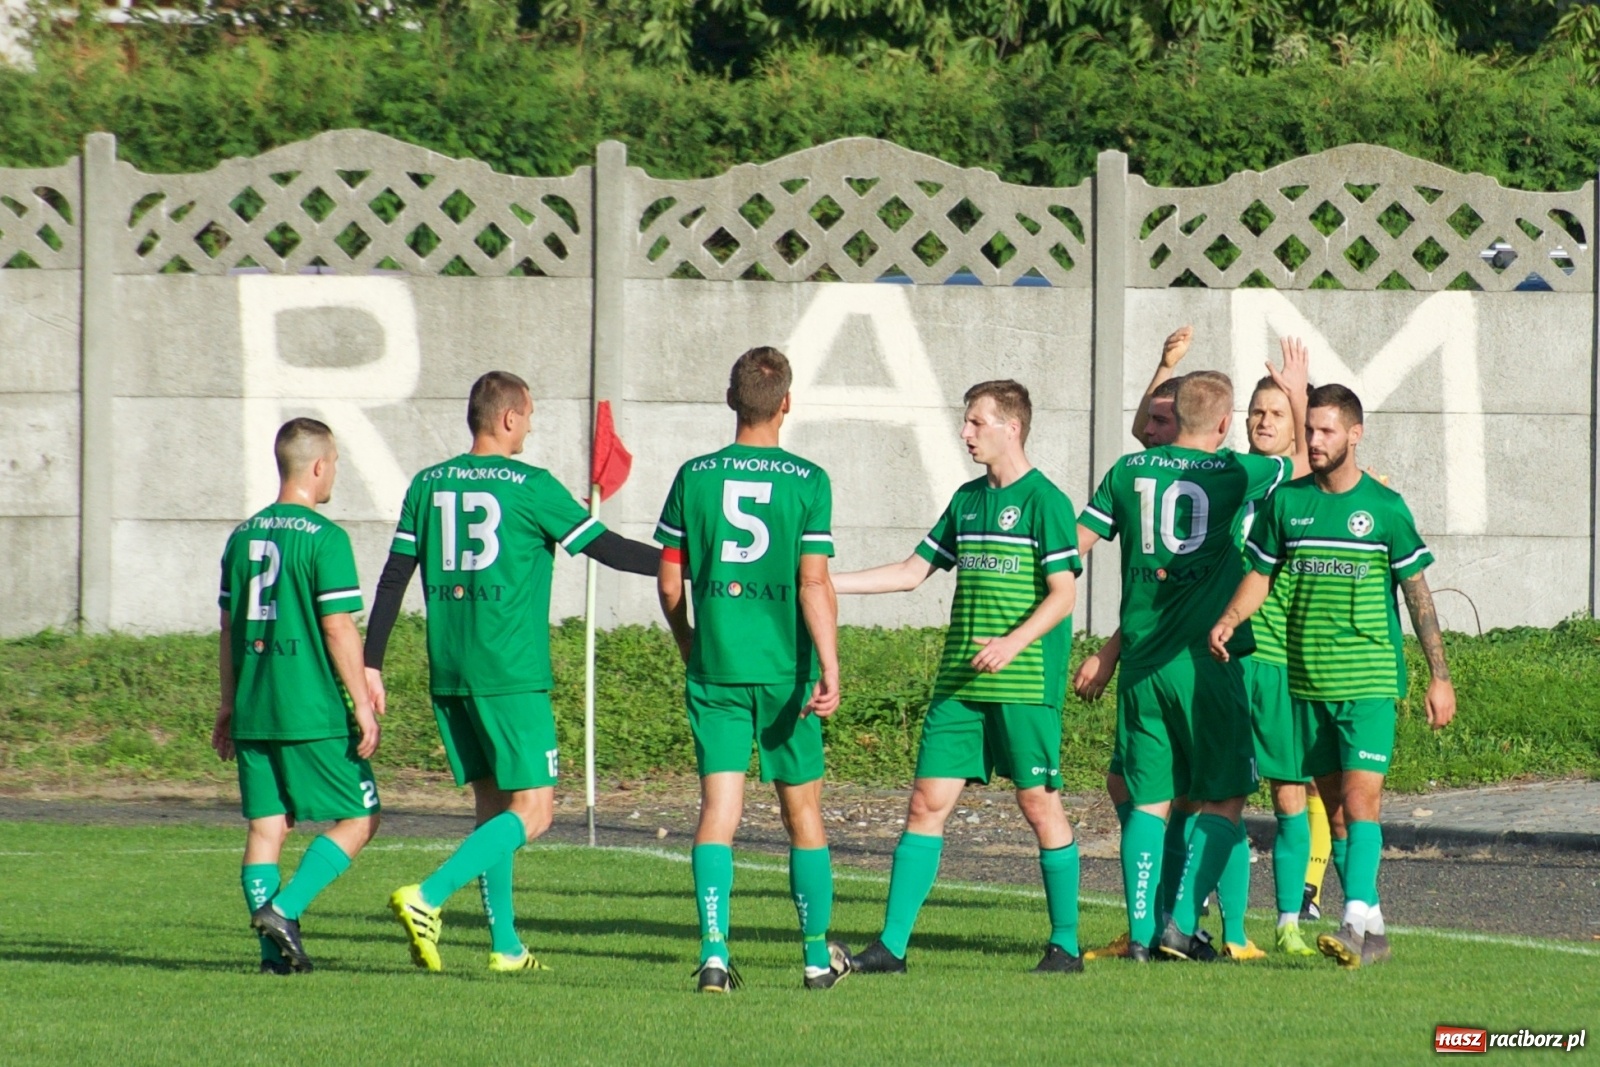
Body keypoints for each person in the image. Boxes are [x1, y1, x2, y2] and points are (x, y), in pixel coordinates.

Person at [363, 371, 659, 973]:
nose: (530, 426)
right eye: (529, 415)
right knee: (537, 811)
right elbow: (609, 549)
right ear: (507, 418)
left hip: (450, 670)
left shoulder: (427, 484)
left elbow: (394, 578)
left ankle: (505, 947)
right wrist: (684, 560)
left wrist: (371, 663)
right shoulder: (530, 486)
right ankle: (428, 896)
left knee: (494, 811)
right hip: (512, 671)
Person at [832, 380, 1085, 975]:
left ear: (1011, 427)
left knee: (1038, 803)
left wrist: (1012, 642)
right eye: (965, 422)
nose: (965, 433)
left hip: (1023, 684)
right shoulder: (967, 501)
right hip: (959, 686)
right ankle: (891, 947)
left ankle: (1067, 944)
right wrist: (821, 583)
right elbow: (909, 571)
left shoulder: (1046, 501)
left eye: (976, 422)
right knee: (925, 803)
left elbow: (1064, 593)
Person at [1210, 383, 1456, 968]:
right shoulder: (1287, 504)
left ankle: (1350, 921)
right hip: (1306, 683)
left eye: (1325, 431)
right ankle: (1373, 928)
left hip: (1368, 681)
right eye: (1311, 430)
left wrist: (1438, 675)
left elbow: (1418, 595)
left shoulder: (1386, 509)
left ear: (1354, 434)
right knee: (1339, 815)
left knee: (1360, 800)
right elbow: (1261, 575)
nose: (1315, 441)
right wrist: (1229, 617)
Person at [1077, 367, 1298, 962]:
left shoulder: (1126, 471)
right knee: (1226, 797)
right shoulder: (1236, 471)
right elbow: (1300, 457)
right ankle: (1179, 920)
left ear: (1173, 417)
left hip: (1142, 666)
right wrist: (1297, 390)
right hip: (1207, 663)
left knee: (1149, 801)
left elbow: (1075, 544)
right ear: (1226, 424)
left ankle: (1144, 934)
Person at [654, 346, 848, 993]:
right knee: (803, 815)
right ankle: (817, 959)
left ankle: (714, 954)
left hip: (717, 666)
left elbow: (671, 580)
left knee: (719, 810)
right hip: (784, 671)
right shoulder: (809, 479)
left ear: (731, 398)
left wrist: (689, 641)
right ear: (786, 402)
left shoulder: (694, 475)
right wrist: (830, 664)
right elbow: (813, 582)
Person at [214, 417, 381, 974]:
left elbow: (228, 629)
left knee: (268, 827)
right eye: (333, 462)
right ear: (317, 465)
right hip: (309, 711)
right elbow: (338, 626)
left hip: (255, 708)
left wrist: (228, 703)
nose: (335, 472)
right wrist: (360, 700)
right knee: (361, 818)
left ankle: (273, 959)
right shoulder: (326, 538)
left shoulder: (241, 536)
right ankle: (285, 910)